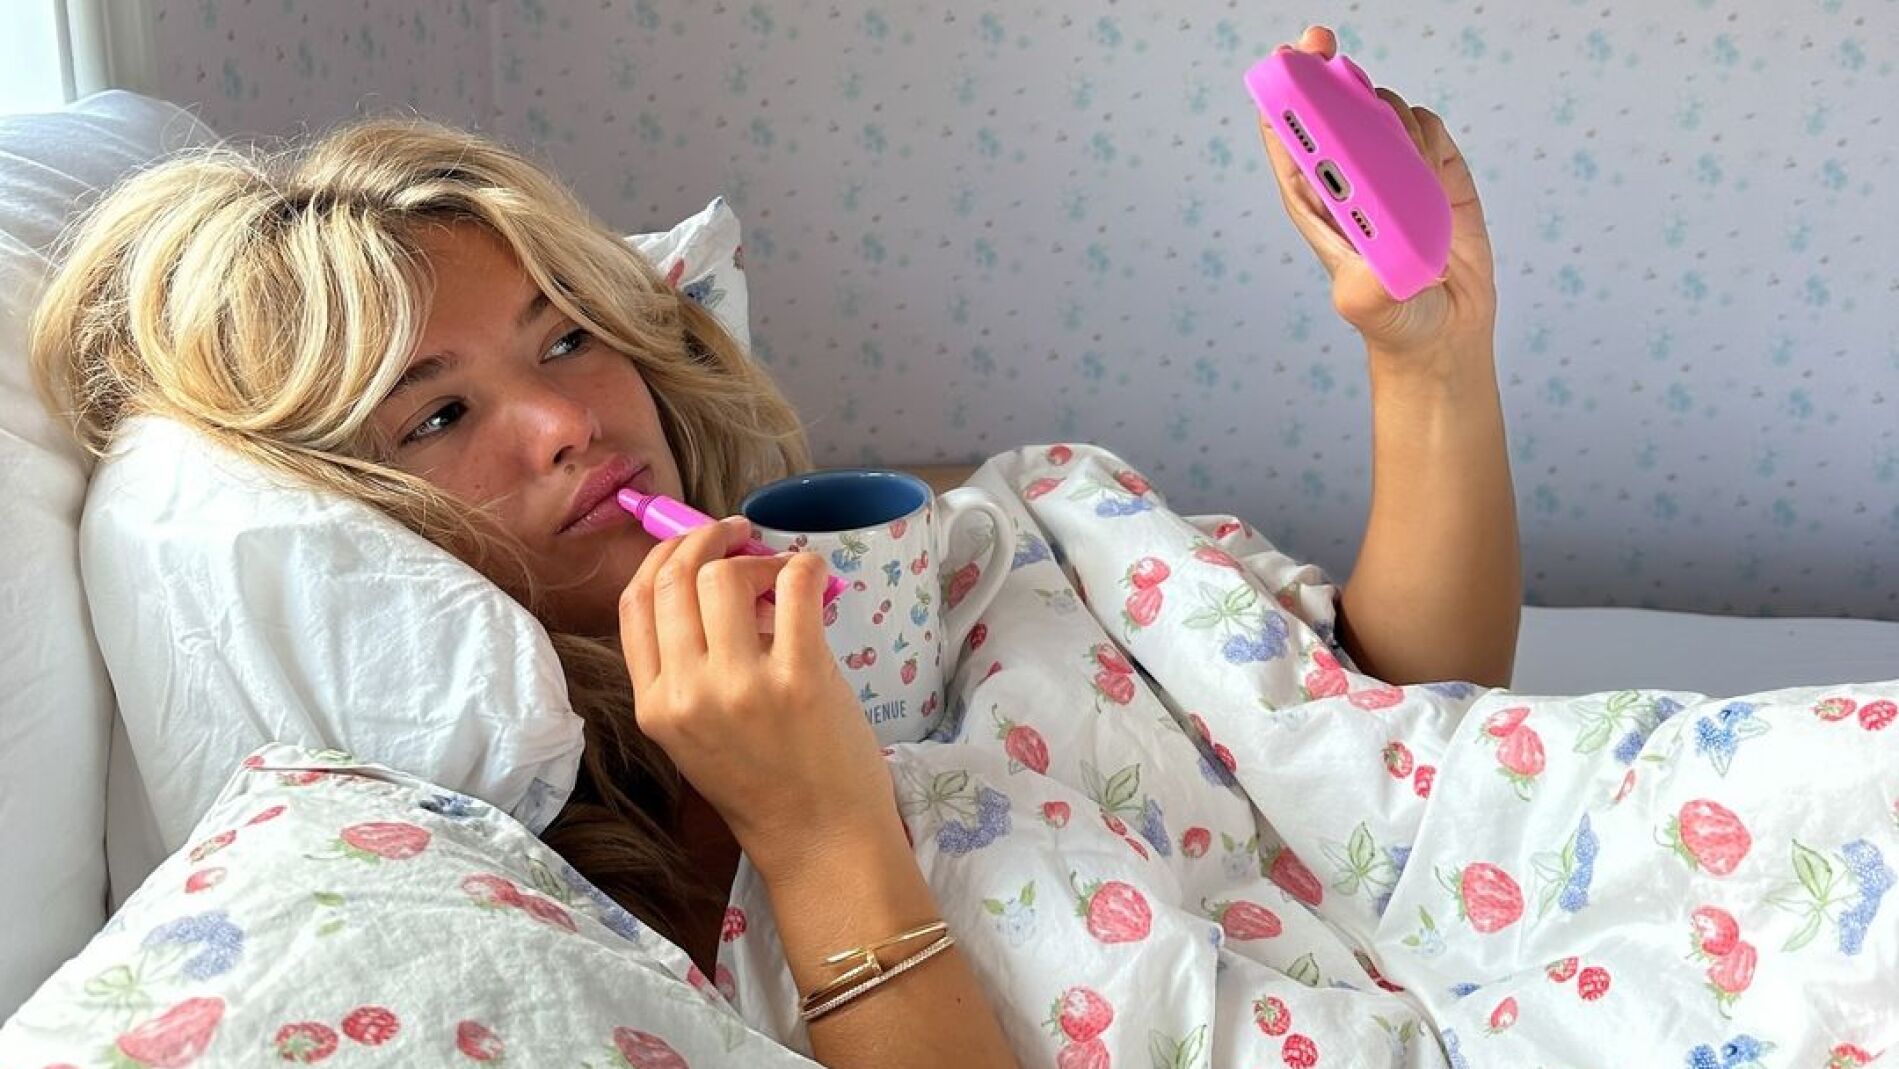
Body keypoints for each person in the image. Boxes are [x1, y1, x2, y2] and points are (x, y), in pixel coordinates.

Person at [29, 23, 1515, 1067]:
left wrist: (1429, 358)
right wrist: (815, 830)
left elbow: (1407, 723)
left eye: (567, 335)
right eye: (439, 416)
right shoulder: (528, 887)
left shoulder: (958, 555)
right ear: (350, 522)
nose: (565, 419)